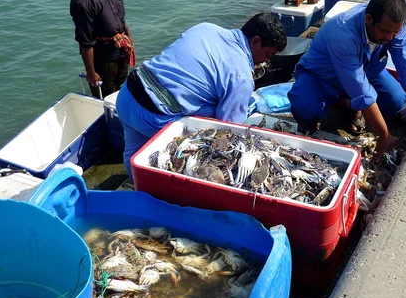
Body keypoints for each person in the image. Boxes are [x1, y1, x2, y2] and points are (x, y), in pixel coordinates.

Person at [116, 13, 287, 178]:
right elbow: (227, 128)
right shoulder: (242, 76)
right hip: (154, 117)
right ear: (255, 41)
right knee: (212, 127)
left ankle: (138, 190)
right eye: (267, 55)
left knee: (133, 153)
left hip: (127, 94)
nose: (264, 62)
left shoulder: (206, 28)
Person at [287, 0, 406, 161]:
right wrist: (384, 134)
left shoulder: (394, 27)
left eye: (394, 33)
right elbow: (361, 91)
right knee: (304, 106)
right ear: (368, 20)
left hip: (366, 69)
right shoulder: (343, 34)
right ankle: (343, 104)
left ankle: (350, 105)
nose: (389, 37)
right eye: (385, 31)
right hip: (321, 76)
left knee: (396, 103)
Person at [70, 0, 135, 98]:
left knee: (124, 92)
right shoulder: (82, 2)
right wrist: (91, 73)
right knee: (106, 99)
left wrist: (129, 38)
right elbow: (85, 42)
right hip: (103, 60)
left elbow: (119, 16)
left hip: (121, 50)